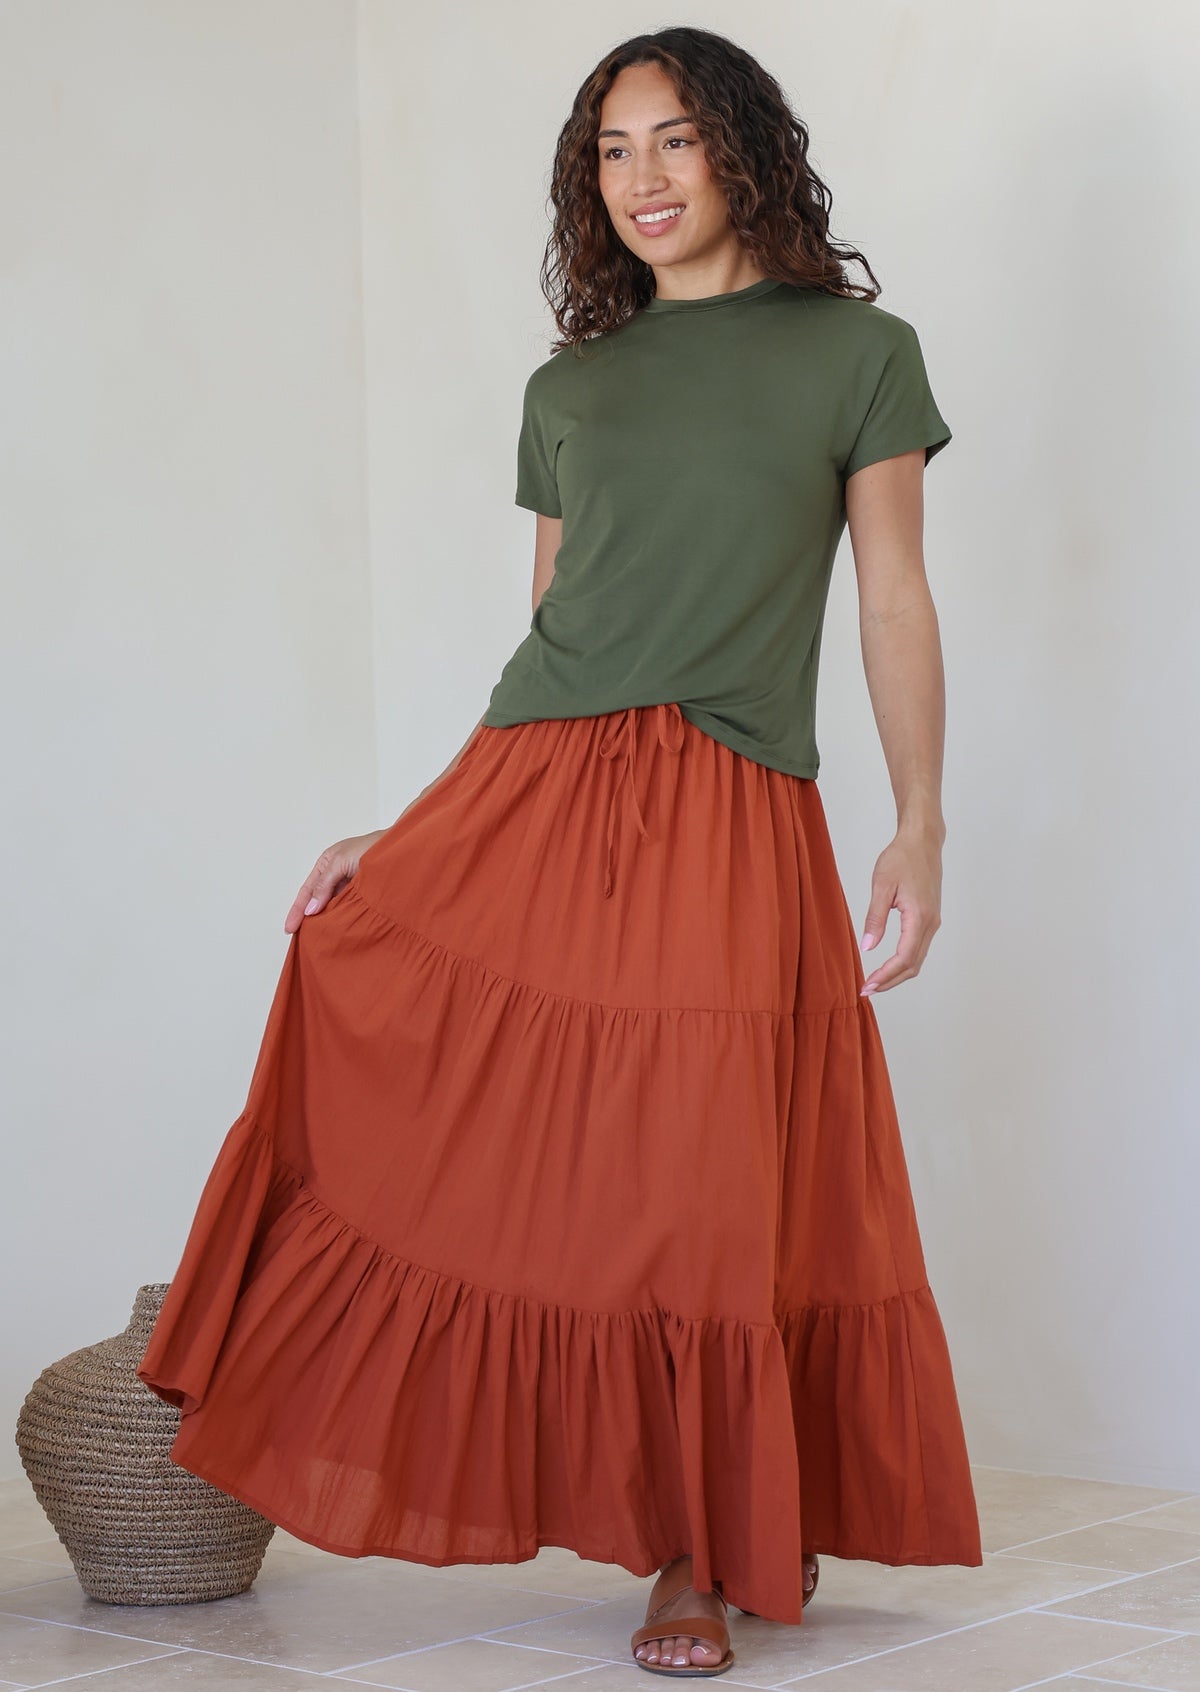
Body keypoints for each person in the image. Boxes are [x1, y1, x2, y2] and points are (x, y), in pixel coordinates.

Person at [136, 23, 982, 1682]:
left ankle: (700, 1541)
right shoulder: (569, 387)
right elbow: (551, 636)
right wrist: (421, 826)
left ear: (743, 149)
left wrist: (922, 820)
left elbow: (891, 595)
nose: (642, 178)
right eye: (610, 149)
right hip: (546, 788)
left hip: (733, 800)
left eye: (673, 140)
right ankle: (670, 1518)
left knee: (696, 1182)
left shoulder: (854, 354)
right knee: (473, 1078)